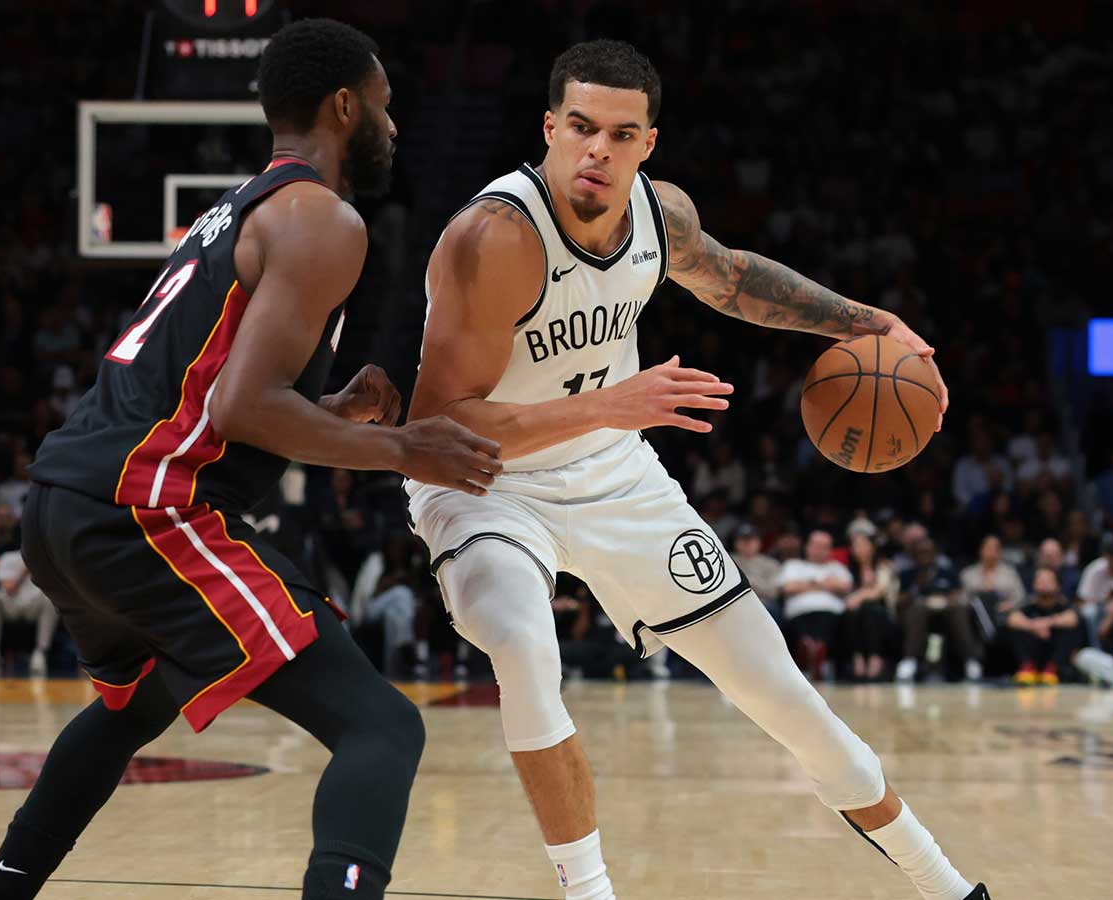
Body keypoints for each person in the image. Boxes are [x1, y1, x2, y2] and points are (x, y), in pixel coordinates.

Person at [405, 39, 983, 900]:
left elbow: (734, 278)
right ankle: (589, 892)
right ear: (550, 128)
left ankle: (950, 888)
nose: (598, 150)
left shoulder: (660, 213)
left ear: (648, 143)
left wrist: (866, 324)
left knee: (781, 691)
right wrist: (609, 403)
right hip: (490, 485)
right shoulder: (493, 239)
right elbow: (435, 427)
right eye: (580, 127)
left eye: (621, 134)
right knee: (525, 646)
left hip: (613, 473)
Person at [0, 20, 502, 900]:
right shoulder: (323, 219)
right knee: (383, 728)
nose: (395, 125)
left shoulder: (240, 206)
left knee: (129, 705)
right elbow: (241, 407)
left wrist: (334, 412)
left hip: (64, 500)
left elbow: (217, 402)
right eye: (385, 104)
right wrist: (401, 448)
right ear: (344, 105)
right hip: (146, 506)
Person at [896, 538, 981, 684]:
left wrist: (947, 600)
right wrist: (916, 586)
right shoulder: (907, 574)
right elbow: (899, 601)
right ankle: (909, 660)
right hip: (920, 612)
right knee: (918, 608)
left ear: (935, 554)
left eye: (928, 552)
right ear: (915, 555)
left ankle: (970, 660)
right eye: (921, 552)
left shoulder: (947, 572)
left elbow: (959, 594)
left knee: (960, 608)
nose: (925, 555)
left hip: (946, 610)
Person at [780, 530, 853, 680]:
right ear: (808, 547)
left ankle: (815, 653)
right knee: (803, 630)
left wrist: (806, 584)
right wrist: (825, 584)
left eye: (824, 546)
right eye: (816, 545)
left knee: (827, 626)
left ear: (830, 549)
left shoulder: (837, 567)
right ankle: (811, 652)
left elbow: (845, 586)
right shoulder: (793, 565)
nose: (819, 550)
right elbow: (787, 587)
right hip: (799, 613)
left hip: (830, 613)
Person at [0, 549, 59, 677]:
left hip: (34, 607)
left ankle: (40, 653)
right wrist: (25, 569)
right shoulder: (8, 557)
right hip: (11, 606)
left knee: (51, 600)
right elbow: (9, 587)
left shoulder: (45, 556)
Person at [1005, 568, 1081, 685]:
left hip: (1055, 653)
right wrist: (1033, 626)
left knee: (1068, 629)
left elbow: (1072, 618)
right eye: (1041, 581)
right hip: (1033, 651)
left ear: (1057, 585)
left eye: (1048, 581)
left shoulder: (1063, 604)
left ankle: (1052, 668)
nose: (1044, 584)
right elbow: (1012, 619)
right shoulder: (1028, 604)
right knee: (1017, 629)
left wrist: (1047, 622)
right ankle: (1027, 666)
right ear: (1034, 584)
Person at [842, 529, 897, 681]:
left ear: (872, 547)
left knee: (870, 610)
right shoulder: (848, 569)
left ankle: (875, 657)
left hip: (882, 613)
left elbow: (880, 591)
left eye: (862, 545)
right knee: (852, 613)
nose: (858, 549)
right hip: (855, 614)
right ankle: (857, 656)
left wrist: (858, 596)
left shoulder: (884, 566)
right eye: (855, 545)